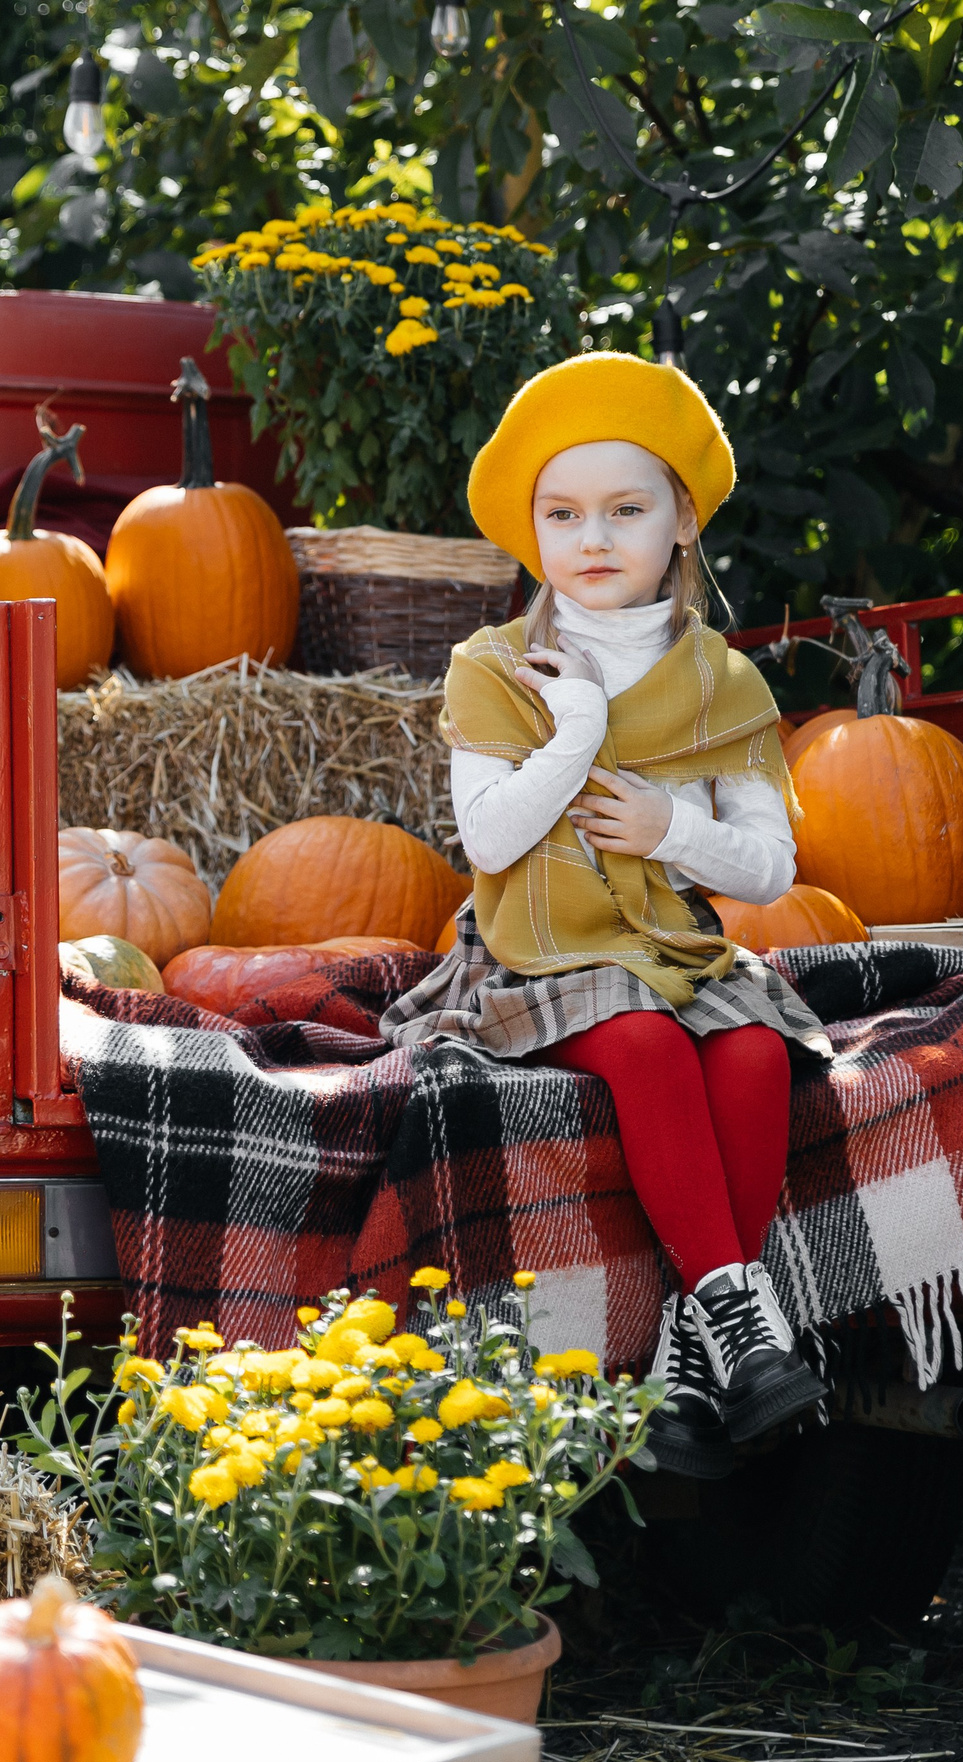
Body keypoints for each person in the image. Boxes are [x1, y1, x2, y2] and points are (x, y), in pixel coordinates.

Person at [382, 352, 825, 1481]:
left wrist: (669, 830)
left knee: (754, 1053)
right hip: (540, 949)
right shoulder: (496, 667)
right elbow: (485, 839)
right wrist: (574, 728)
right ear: (532, 532)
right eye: (564, 513)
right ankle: (742, 1312)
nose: (594, 536)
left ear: (681, 520)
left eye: (626, 509)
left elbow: (773, 867)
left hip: (670, 941)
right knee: (638, 1042)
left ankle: (695, 1343)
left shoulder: (722, 680)